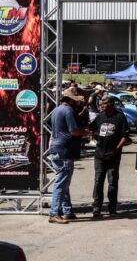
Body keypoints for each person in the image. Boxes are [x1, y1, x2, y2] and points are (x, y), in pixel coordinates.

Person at [48, 95, 87, 223]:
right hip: (64, 150)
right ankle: (54, 213)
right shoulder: (68, 110)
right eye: (76, 100)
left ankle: (67, 211)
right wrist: (85, 132)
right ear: (70, 100)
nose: (77, 102)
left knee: (63, 182)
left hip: (56, 147)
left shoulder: (57, 110)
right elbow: (73, 131)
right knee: (61, 183)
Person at [89, 96, 130, 216]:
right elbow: (91, 128)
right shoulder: (100, 116)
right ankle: (97, 207)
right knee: (98, 181)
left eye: (105, 104)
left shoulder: (120, 117)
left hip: (113, 156)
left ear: (111, 104)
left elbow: (125, 136)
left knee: (112, 182)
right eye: (101, 103)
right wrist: (93, 138)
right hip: (100, 155)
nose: (102, 105)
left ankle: (112, 207)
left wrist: (117, 149)